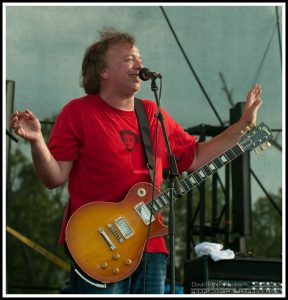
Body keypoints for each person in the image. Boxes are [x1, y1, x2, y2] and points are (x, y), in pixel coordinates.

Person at [10, 29, 262, 294]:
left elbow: (196, 157)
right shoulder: (78, 112)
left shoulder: (152, 113)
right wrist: (38, 141)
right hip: (97, 245)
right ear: (104, 71)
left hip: (151, 247)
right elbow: (55, 177)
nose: (140, 65)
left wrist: (243, 126)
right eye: (129, 59)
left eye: (140, 58)